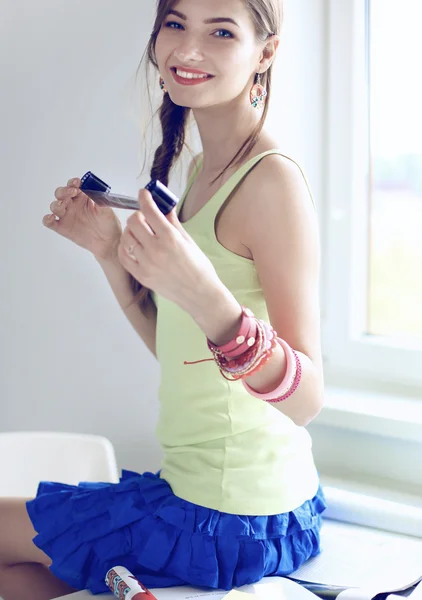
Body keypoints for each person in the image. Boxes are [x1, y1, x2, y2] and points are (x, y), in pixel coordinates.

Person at [0, 0, 327, 599]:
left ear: (267, 52)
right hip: (221, 503)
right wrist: (109, 252)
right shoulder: (207, 168)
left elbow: (307, 398)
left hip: (230, 520)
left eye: (221, 31)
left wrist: (208, 297)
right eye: (175, 24)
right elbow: (185, 356)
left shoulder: (271, 181)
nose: (187, 49)